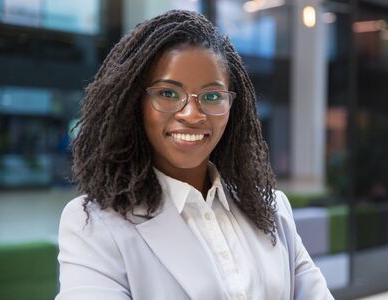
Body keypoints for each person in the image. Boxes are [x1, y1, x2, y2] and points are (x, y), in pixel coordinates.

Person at [56, 10, 334, 300]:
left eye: (212, 96)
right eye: (168, 94)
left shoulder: (273, 210)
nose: (192, 114)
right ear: (133, 103)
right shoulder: (94, 224)